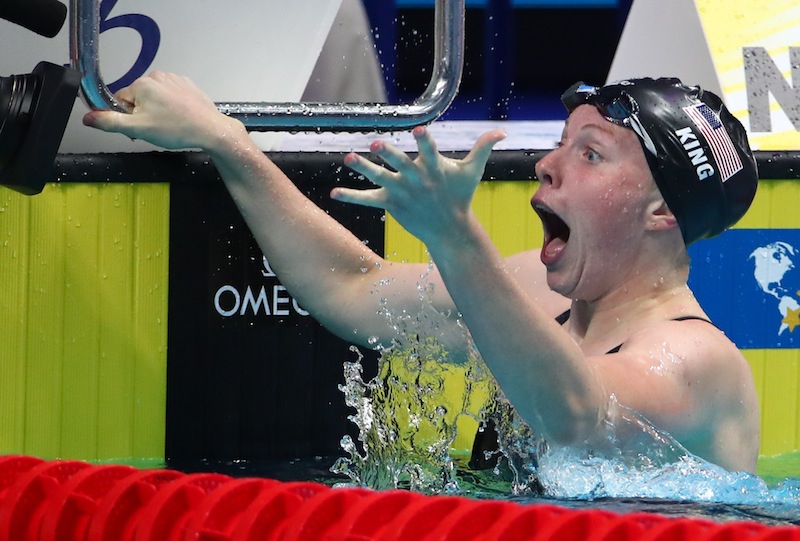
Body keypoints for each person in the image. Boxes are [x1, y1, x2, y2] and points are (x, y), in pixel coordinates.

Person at [83, 72, 761, 473]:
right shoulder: (534, 292)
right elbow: (351, 288)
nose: (549, 165)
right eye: (560, 145)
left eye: (591, 155)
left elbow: (578, 416)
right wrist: (227, 141)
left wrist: (455, 239)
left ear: (661, 212)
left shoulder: (696, 359)